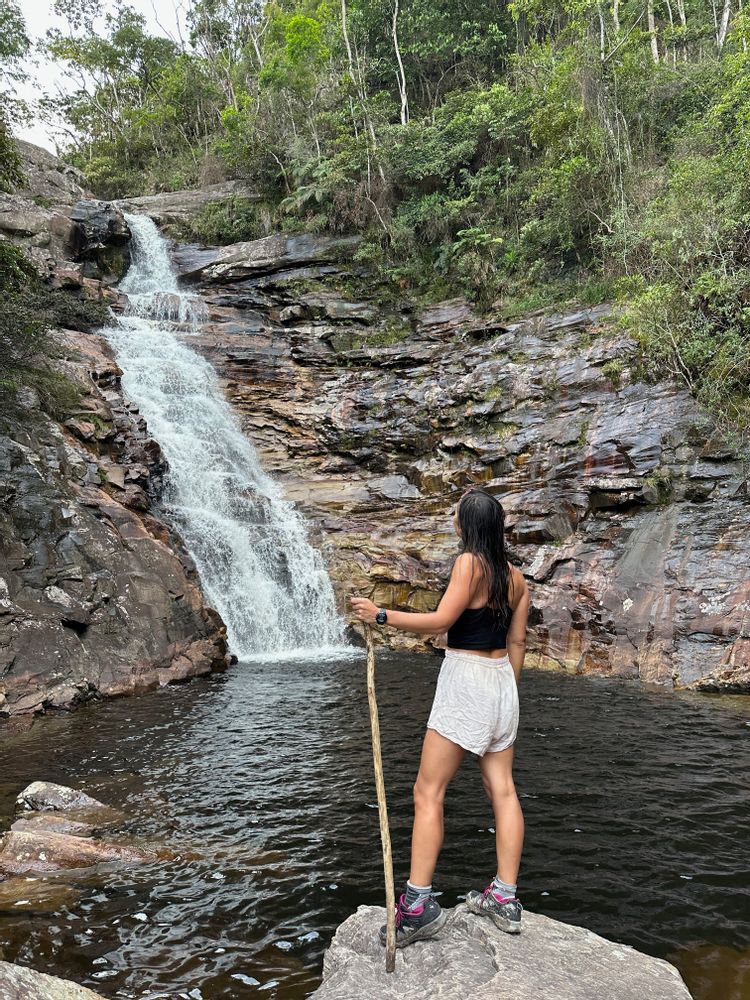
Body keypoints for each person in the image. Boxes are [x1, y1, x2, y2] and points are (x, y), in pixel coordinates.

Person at [350, 486, 529, 948]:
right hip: (501, 682)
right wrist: (504, 690)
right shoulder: (517, 578)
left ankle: (416, 907)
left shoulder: (469, 563)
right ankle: (504, 898)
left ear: (465, 526)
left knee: (428, 791)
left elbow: (442, 621)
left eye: (456, 517)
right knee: (503, 791)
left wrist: (381, 615)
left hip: (467, 679)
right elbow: (518, 644)